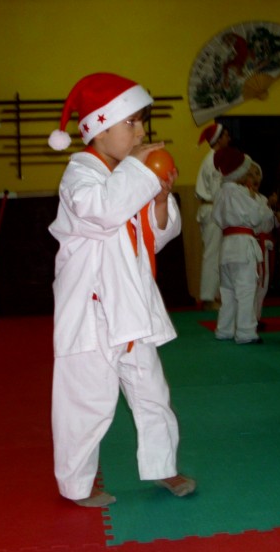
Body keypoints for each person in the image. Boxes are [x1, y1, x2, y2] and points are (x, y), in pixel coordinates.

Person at [46, 73, 195, 508]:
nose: (141, 132)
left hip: (130, 310)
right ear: (99, 128)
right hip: (91, 314)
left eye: (141, 122)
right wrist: (138, 170)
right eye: (131, 123)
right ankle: (76, 484)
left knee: (153, 395)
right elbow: (105, 211)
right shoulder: (80, 177)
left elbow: (152, 238)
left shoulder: (125, 176)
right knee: (86, 402)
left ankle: (163, 467)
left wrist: (160, 200)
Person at [212, 148, 274, 344]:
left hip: (226, 246)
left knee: (228, 292)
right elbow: (256, 218)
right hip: (242, 245)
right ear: (238, 172)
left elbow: (216, 217)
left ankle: (224, 329)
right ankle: (246, 332)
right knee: (246, 290)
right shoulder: (240, 192)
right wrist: (262, 207)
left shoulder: (221, 192)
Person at [196, 122, 232, 309]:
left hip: (212, 210)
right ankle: (208, 297)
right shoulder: (213, 161)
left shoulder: (214, 159)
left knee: (216, 253)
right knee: (212, 254)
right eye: (225, 135)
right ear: (218, 139)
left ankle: (214, 295)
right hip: (212, 211)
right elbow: (218, 192)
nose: (229, 138)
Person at [247, 162, 280, 325]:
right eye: (251, 174)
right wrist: (267, 206)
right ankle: (248, 319)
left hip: (264, 244)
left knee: (263, 282)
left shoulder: (262, 199)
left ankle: (257, 316)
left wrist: (277, 216)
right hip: (249, 243)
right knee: (251, 281)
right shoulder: (244, 198)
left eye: (257, 174)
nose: (255, 178)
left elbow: (270, 223)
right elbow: (254, 220)